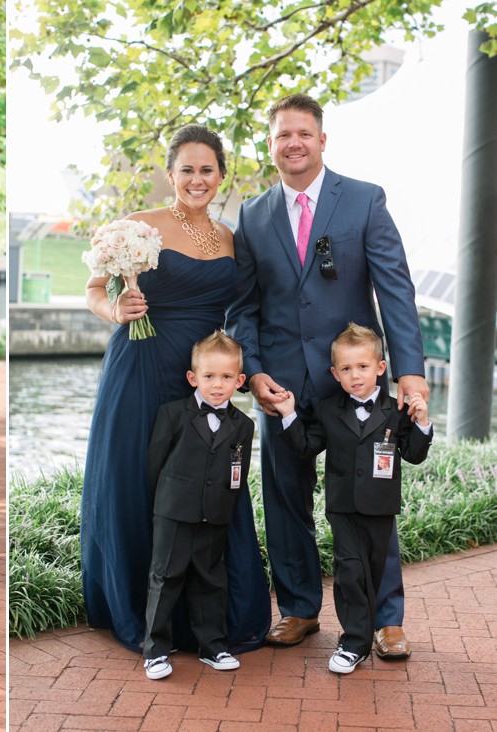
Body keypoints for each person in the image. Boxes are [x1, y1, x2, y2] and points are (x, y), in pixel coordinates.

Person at [226, 93, 429, 657]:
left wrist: (409, 372)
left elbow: (396, 290)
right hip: (283, 389)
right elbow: (243, 306)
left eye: (303, 133)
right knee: (286, 501)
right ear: (270, 145)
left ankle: (387, 620)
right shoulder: (252, 213)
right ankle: (298, 608)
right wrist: (255, 373)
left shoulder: (365, 200)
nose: (293, 143)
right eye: (282, 135)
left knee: (372, 503)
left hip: (357, 384)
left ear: (322, 139)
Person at [80, 124, 271, 653]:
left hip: (204, 376)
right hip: (143, 364)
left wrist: (241, 371)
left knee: (206, 482)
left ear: (221, 176)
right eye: (186, 169)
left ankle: (207, 614)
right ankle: (144, 611)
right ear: (170, 175)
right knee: (140, 479)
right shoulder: (138, 226)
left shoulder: (231, 237)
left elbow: (240, 308)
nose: (196, 179)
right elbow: (95, 290)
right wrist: (116, 310)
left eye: (207, 169)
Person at [275, 324, 432, 673]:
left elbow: (414, 454)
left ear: (380, 367)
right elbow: (307, 446)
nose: (355, 375)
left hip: (380, 508)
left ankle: (377, 629)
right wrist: (288, 414)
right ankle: (353, 643)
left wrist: (421, 423)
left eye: (362, 367)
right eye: (346, 369)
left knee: (373, 574)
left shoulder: (396, 411)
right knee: (349, 571)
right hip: (342, 506)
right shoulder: (329, 409)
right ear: (335, 374)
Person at [143, 332, 254, 680]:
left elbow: (240, 472)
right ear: (193, 378)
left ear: (239, 381)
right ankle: (156, 650)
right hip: (173, 512)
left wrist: (224, 506)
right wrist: (164, 505)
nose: (217, 385)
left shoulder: (244, 425)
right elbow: (154, 465)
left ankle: (213, 646)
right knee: (166, 577)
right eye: (209, 376)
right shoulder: (172, 414)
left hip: (216, 513)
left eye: (225, 378)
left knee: (211, 579)